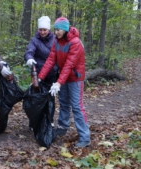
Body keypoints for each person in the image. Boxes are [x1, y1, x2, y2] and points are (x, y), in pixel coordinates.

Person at [37, 17, 91, 147]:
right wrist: (40, 78)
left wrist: (59, 83)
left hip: (75, 78)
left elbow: (69, 64)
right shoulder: (57, 41)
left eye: (59, 30)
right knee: (64, 103)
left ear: (65, 29)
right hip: (64, 77)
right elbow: (51, 60)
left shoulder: (75, 42)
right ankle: (62, 127)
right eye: (55, 30)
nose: (56, 32)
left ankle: (84, 137)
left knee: (77, 106)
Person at [24, 16, 58, 129]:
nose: (42, 32)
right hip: (38, 75)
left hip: (52, 74)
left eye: (45, 30)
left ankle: (49, 120)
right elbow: (29, 51)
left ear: (49, 29)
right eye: (41, 30)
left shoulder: (55, 40)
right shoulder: (35, 40)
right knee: (36, 99)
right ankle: (35, 122)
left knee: (50, 98)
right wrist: (29, 58)